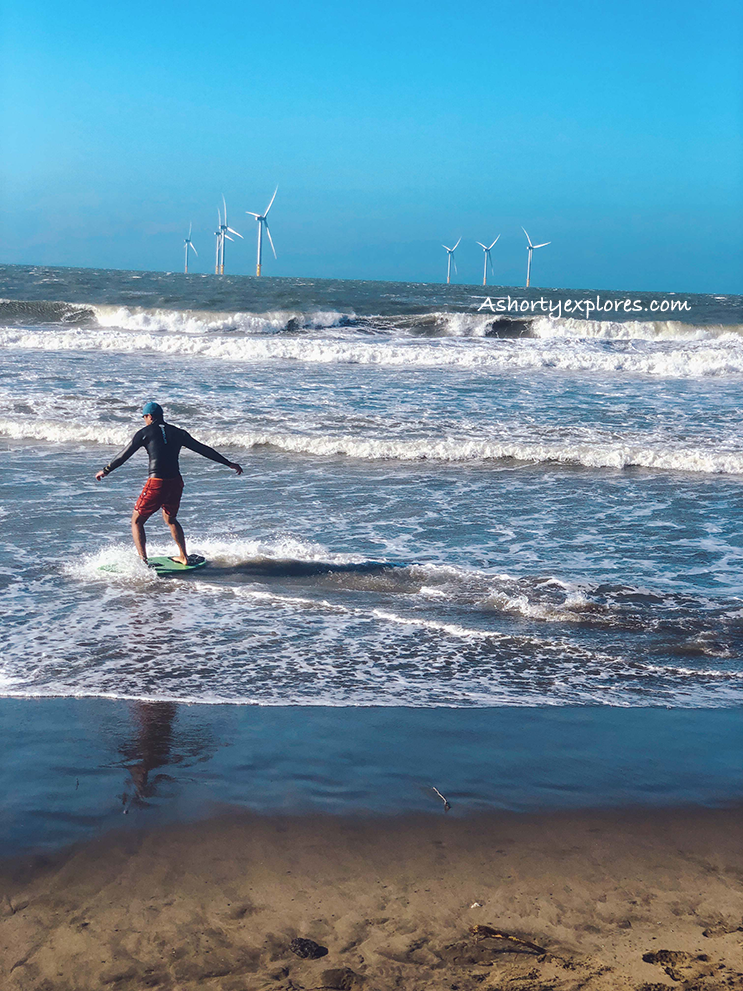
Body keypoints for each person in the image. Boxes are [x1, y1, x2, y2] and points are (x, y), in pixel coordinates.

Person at [96, 401, 242, 565]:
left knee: (136, 521)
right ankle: (183, 556)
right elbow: (203, 449)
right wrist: (229, 463)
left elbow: (124, 455)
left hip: (157, 482)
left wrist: (106, 470)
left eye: (144, 417)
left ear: (149, 416)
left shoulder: (144, 433)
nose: (144, 420)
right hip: (176, 482)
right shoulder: (178, 432)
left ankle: (143, 562)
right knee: (170, 518)